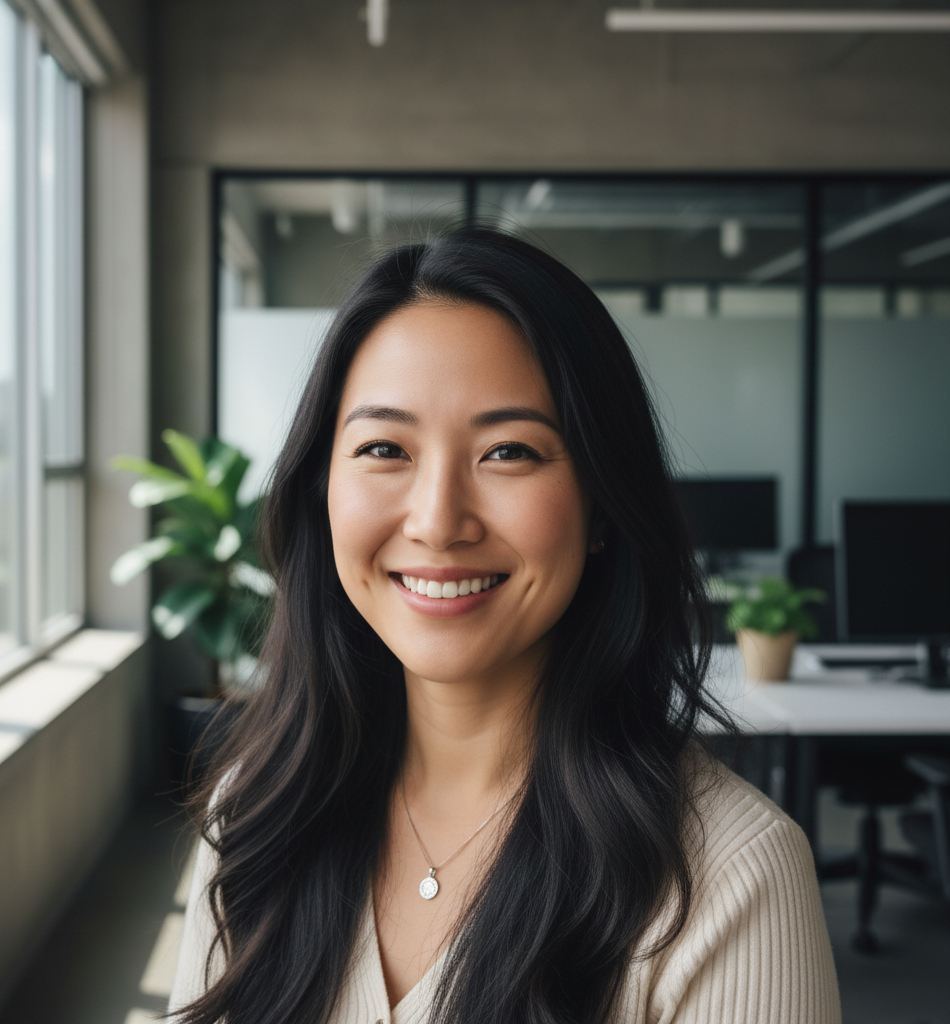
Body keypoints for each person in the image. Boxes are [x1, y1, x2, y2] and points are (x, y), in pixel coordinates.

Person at [169, 228, 840, 1024]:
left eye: (509, 452)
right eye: (385, 447)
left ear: (601, 503)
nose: (438, 520)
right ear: (322, 490)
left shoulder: (733, 879)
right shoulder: (257, 811)